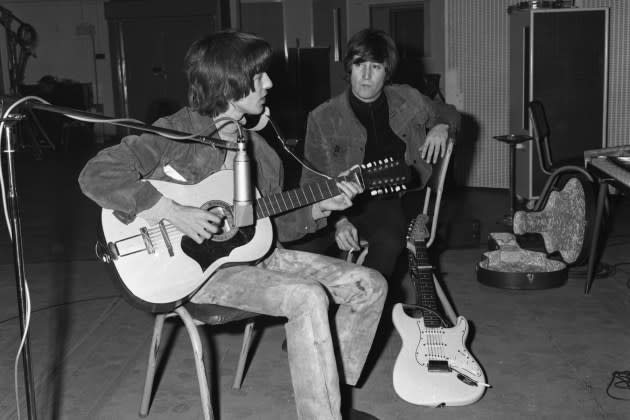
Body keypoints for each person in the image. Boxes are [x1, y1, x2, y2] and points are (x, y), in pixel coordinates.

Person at [78, 31, 386, 420]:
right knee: (307, 296)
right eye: (260, 77)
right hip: (202, 273)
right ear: (231, 83)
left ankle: (330, 395)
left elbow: (277, 229)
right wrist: (170, 210)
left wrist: (320, 206)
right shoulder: (175, 132)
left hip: (260, 258)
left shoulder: (260, 151)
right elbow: (96, 175)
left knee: (370, 285)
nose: (270, 84)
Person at [290, 28, 461, 282]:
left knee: (388, 241)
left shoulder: (408, 99)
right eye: (360, 65)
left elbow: (448, 111)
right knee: (297, 250)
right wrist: (340, 220)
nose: (366, 75)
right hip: (337, 202)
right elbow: (312, 181)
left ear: (387, 72)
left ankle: (364, 304)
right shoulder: (323, 116)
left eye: (376, 67)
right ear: (350, 68)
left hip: (388, 200)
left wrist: (441, 125)